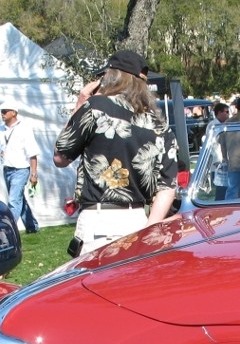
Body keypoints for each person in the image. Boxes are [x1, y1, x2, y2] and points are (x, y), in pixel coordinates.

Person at [53, 50, 178, 256]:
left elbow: (60, 157)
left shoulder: (95, 107)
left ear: (111, 76)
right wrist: (149, 228)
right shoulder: (159, 123)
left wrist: (80, 104)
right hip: (139, 219)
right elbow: (167, 186)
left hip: (99, 220)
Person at [0, 100, 39, 233]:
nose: (2, 114)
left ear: (14, 113)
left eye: (5, 111)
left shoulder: (24, 128)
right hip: (7, 169)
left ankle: (9, 229)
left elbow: (33, 152)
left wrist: (33, 174)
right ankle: (32, 226)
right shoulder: (0, 131)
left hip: (21, 169)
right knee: (19, 199)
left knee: (13, 200)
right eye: (1, 111)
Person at [203, 101, 230, 200]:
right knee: (220, 187)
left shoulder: (225, 124)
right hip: (217, 160)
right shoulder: (213, 125)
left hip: (225, 159)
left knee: (227, 187)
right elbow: (215, 143)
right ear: (219, 113)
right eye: (226, 112)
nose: (228, 114)